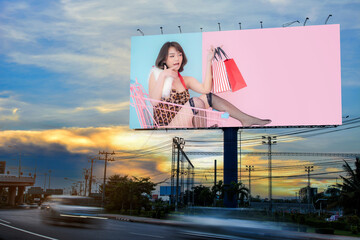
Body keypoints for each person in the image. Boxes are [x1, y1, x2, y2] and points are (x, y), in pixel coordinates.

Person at [148, 41, 271, 128]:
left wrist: (208, 61)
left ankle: (245, 119)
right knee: (195, 101)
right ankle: (202, 132)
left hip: (185, 120)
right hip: (167, 126)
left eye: (179, 55)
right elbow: (154, 102)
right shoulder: (156, 75)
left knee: (207, 97)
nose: (177, 59)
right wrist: (163, 76)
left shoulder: (185, 80)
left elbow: (206, 89)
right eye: (172, 56)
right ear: (164, 60)